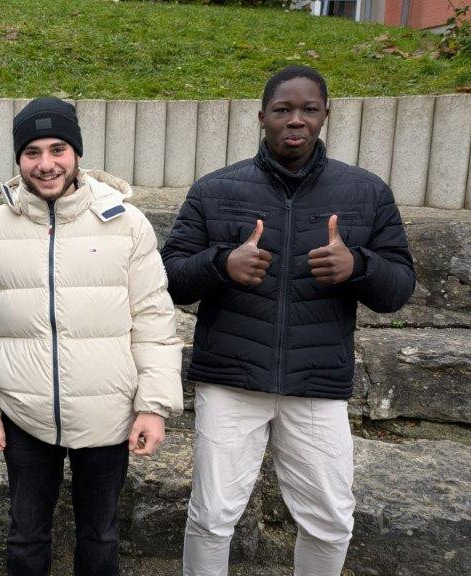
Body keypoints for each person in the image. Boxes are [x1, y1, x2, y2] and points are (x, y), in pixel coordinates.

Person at [160, 65, 416, 576]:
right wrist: (222, 263)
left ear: (325, 115)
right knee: (211, 518)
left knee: (330, 522)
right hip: (232, 380)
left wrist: (358, 266)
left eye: (308, 109)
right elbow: (168, 277)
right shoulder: (215, 189)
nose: (295, 120)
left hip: (316, 384)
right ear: (262, 117)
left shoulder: (366, 192)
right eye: (282, 109)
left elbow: (399, 288)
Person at [0, 96, 184, 576]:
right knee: (25, 539)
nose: (46, 164)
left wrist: (153, 406)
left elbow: (153, 321)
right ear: (19, 159)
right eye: (32, 152)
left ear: (77, 152)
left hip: (109, 413)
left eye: (57, 149)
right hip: (23, 414)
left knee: (100, 537)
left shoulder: (127, 224)